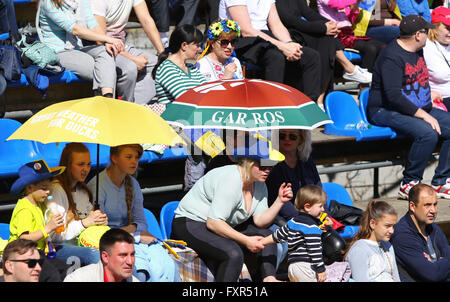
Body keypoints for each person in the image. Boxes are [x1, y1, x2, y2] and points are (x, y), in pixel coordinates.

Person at [171, 137, 293, 282]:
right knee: (233, 253)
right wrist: (246, 240)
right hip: (190, 223)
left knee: (267, 235)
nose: (268, 170)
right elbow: (214, 223)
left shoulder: (259, 184)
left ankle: (269, 279)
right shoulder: (231, 179)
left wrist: (279, 201)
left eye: (271, 165)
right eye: (263, 165)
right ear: (248, 162)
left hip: (217, 225)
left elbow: (261, 222)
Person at [366, 15, 450, 200]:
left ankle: (441, 181)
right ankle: (409, 183)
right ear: (418, 35)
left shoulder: (417, 50)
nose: (429, 35)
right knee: (427, 132)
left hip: (415, 107)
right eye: (426, 32)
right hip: (384, 109)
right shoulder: (391, 56)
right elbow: (394, 97)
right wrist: (425, 116)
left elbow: (417, 80)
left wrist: (429, 98)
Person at [87, 144, 180, 282]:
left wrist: (133, 231)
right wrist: (134, 233)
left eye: (136, 157)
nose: (134, 162)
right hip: (113, 243)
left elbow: (142, 223)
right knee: (142, 271)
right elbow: (101, 233)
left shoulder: (133, 184)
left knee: (167, 264)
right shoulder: (98, 186)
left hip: (132, 238)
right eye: (128, 157)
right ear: (114, 158)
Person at [219, 0, 322, 103]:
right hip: (239, 40)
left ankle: (307, 106)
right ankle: (274, 106)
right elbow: (246, 30)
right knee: (275, 57)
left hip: (265, 37)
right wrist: (282, 46)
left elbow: (276, 24)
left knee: (311, 56)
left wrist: (289, 44)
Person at [275, 0, 372, 109]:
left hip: (300, 30)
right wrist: (323, 28)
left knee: (328, 39)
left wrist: (329, 24)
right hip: (284, 35)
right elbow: (290, 20)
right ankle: (349, 68)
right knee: (326, 38)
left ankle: (320, 99)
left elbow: (308, 13)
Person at [152, 24, 207, 193]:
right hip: (176, 124)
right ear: (184, 46)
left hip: (196, 121)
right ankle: (194, 189)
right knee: (202, 139)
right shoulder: (166, 68)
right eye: (197, 45)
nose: (199, 49)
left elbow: (208, 93)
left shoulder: (192, 69)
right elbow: (186, 99)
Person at [37, 0, 125, 97]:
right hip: (57, 52)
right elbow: (74, 29)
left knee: (106, 53)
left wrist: (106, 42)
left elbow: (91, 21)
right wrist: (109, 39)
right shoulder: (47, 2)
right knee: (104, 70)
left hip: (77, 48)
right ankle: (106, 102)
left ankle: (107, 99)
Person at [91, 0, 165, 104]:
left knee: (160, 66)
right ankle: (120, 108)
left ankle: (131, 105)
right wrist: (131, 58)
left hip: (122, 46)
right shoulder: (99, 2)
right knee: (129, 68)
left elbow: (146, 20)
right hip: (102, 49)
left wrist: (162, 53)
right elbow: (100, 40)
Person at [8, 159, 70, 282]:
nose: (48, 192)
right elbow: (24, 238)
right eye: (44, 188)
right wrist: (48, 228)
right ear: (30, 187)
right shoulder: (24, 208)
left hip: (37, 251)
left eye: (49, 188)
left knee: (64, 269)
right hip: (22, 254)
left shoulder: (39, 205)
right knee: (53, 274)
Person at [48, 143, 108, 267]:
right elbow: (54, 236)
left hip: (82, 245)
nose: (86, 169)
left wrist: (98, 221)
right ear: (67, 166)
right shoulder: (57, 190)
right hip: (60, 248)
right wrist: (84, 223)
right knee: (94, 255)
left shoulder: (83, 192)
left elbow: (88, 222)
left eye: (88, 164)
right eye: (80, 164)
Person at [261, 185, 329, 282]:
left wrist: (263, 241)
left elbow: (279, 235)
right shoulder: (311, 227)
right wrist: (321, 269)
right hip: (306, 267)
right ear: (307, 207)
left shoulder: (293, 222)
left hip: (292, 267)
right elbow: (314, 250)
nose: (323, 209)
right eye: (320, 206)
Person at [390, 184, 450, 281]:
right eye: (427, 205)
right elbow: (432, 274)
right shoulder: (402, 236)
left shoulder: (433, 228)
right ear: (412, 206)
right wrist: (442, 262)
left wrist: (439, 263)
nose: (433, 210)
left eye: (435, 204)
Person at [266, 129, 322, 222]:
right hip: (283, 218)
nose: (287, 139)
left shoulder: (307, 160)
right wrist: (307, 221)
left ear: (301, 139)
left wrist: (324, 215)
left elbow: (318, 190)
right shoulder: (272, 163)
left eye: (292, 136)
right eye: (282, 136)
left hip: (310, 214)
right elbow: (281, 203)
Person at [316, 0, 385, 72]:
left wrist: (356, 6)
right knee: (371, 48)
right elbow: (338, 4)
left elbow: (351, 19)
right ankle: (365, 82)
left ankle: (378, 79)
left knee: (382, 46)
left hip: (349, 33)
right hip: (337, 35)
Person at [344, 200, 400, 282]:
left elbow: (396, 277)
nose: (392, 231)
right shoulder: (360, 250)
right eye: (387, 226)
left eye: (393, 226)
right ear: (373, 223)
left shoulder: (388, 246)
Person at [64, 228, 140, 282]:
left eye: (132, 254)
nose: (130, 262)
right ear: (105, 257)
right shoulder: (78, 279)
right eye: (123, 255)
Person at [423, 6, 450, 111]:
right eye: (447, 28)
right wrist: (427, 93)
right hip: (441, 99)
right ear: (435, 27)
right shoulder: (424, 47)